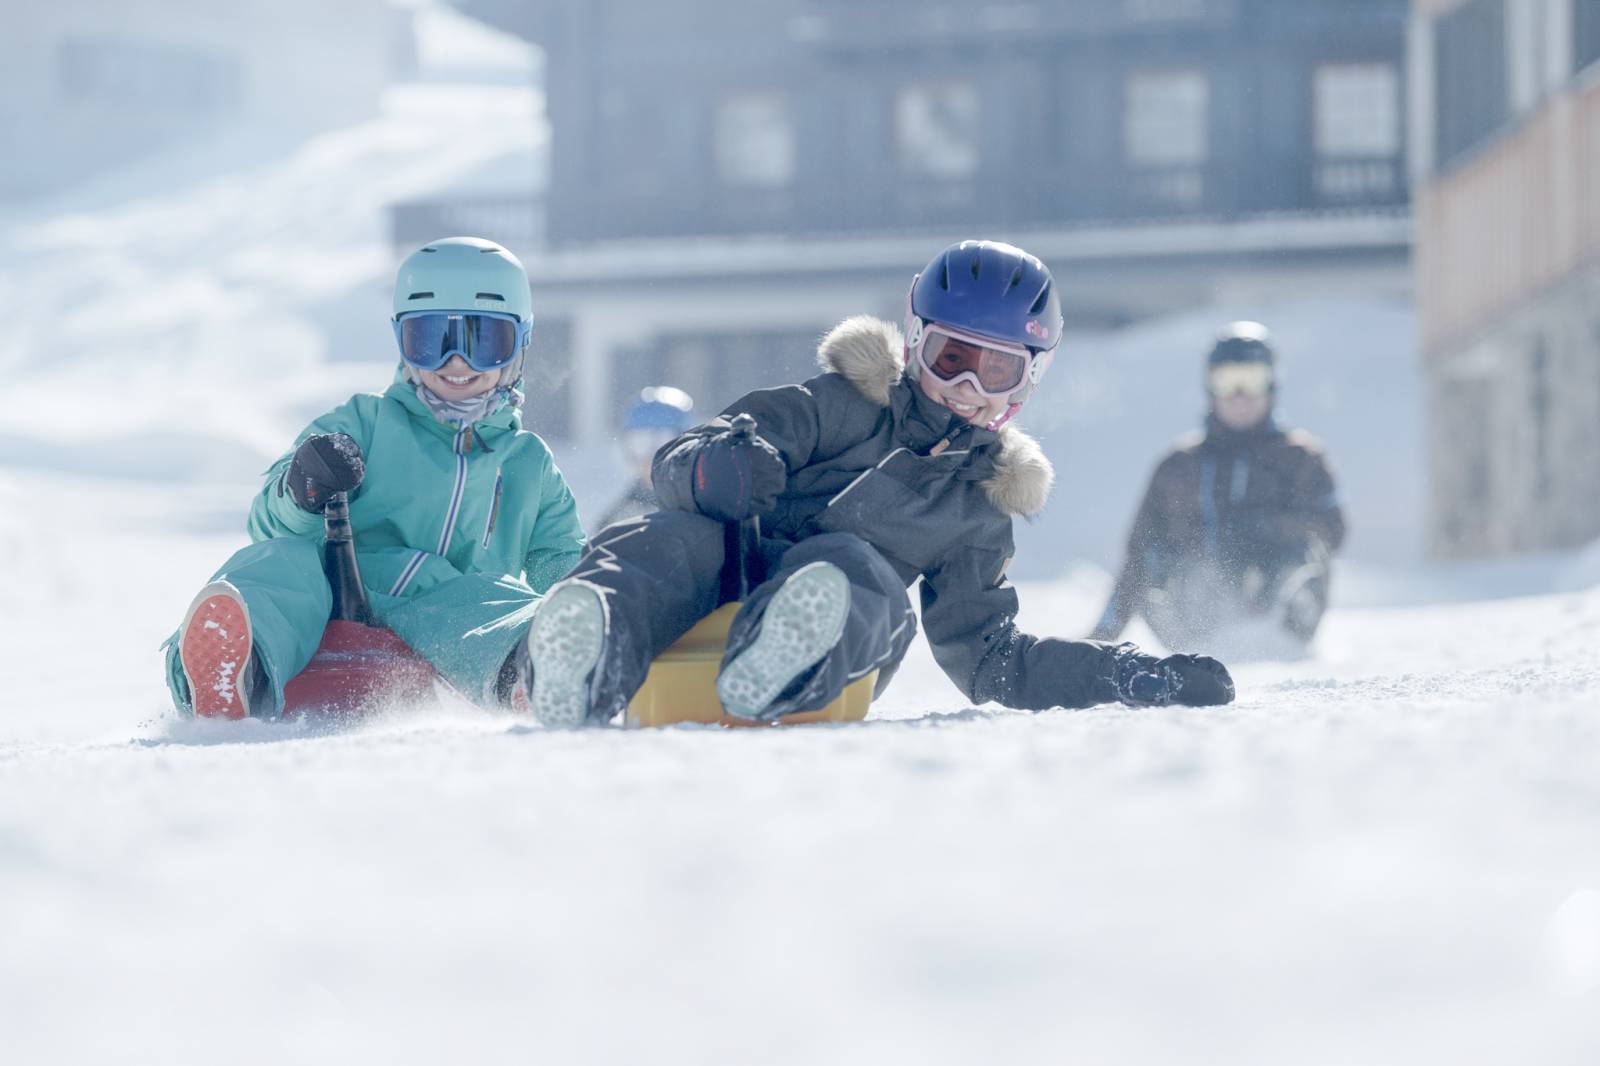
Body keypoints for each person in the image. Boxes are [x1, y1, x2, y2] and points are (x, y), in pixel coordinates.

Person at [508, 240, 1235, 728]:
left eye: (999, 370)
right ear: (917, 342)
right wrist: (719, 465)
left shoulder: (977, 506)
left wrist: (1124, 674)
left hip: (844, 643)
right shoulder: (839, 402)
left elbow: (991, 658)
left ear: (1030, 380)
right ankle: (587, 652)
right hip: (724, 582)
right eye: (953, 357)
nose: (969, 387)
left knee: (856, 570)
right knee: (669, 536)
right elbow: (682, 458)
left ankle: (786, 660)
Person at [164, 236, 586, 718]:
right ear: (402, 343)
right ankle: (231, 673)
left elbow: (560, 557)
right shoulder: (365, 422)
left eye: (482, 342)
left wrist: (579, 599)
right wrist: (304, 486)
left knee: (492, 599)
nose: (456, 362)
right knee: (275, 565)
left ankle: (532, 668)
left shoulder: (526, 463)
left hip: (447, 619)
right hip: (333, 595)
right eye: (430, 341)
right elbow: (270, 522)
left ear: (519, 344)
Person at [1090, 321, 1345, 649]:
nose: (1240, 396)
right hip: (1194, 617)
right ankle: (1201, 648)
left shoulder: (1299, 457)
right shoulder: (1179, 465)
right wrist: (1102, 636)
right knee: (1161, 559)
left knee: (1306, 552)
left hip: (1280, 615)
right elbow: (1139, 553)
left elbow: (1332, 530)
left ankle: (1278, 638)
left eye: (1252, 380)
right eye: (1227, 381)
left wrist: (1268, 528)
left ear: (1271, 384)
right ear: (1210, 386)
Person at [594, 386, 696, 528]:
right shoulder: (620, 517)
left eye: (662, 443)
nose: (649, 457)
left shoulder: (704, 506)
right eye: (640, 443)